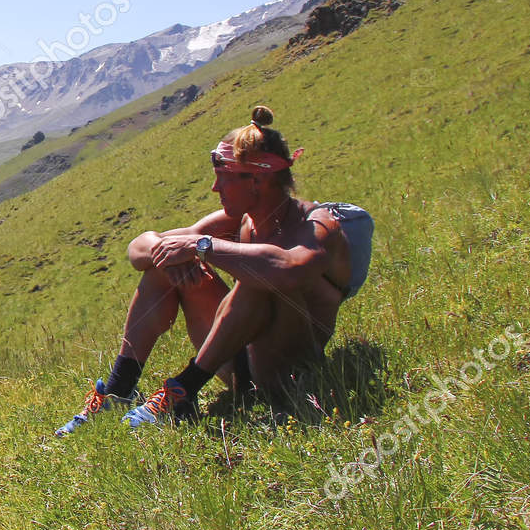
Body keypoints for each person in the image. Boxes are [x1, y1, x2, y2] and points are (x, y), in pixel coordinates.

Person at [54, 105, 372, 434]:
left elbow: (287, 270)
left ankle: (183, 390)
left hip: (284, 371)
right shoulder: (242, 221)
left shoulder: (319, 227)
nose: (214, 189)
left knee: (257, 278)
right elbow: (139, 248)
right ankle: (119, 390)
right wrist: (175, 253)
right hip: (235, 360)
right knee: (163, 266)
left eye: (224, 179)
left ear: (258, 180)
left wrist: (202, 246)